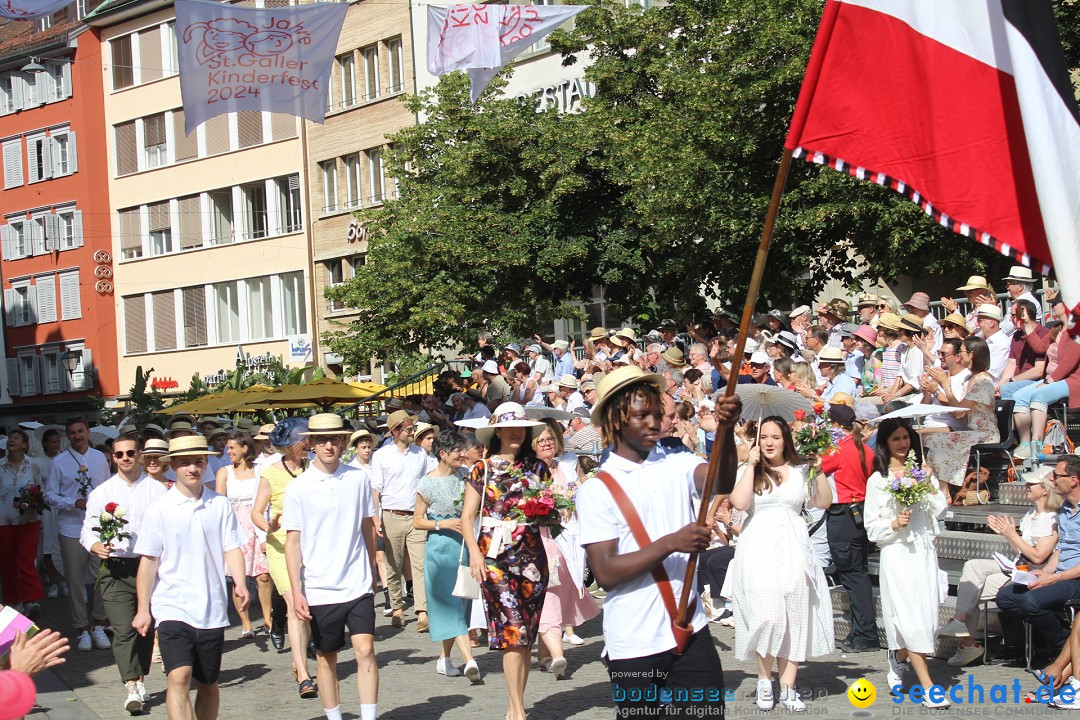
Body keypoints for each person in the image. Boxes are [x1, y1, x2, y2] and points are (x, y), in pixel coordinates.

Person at [577, 366, 739, 719]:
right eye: (641, 414)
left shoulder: (677, 461)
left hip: (690, 629)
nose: (653, 422)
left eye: (656, 413)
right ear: (615, 420)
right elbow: (605, 572)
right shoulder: (595, 490)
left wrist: (726, 431)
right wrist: (670, 542)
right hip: (634, 642)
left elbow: (720, 478)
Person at [133, 435, 249, 720]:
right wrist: (142, 609)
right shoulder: (159, 509)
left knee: (208, 682)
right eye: (185, 463)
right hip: (171, 604)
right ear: (172, 466)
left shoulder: (219, 505)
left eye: (198, 462)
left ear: (206, 463)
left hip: (210, 607)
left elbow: (232, 547)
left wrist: (241, 583)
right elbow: (148, 562)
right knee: (179, 676)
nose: (192, 468)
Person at [728, 417, 834, 711]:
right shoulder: (750, 470)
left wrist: (820, 471)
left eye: (775, 437)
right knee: (769, 615)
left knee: (795, 617)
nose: (770, 442)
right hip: (758, 548)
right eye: (764, 437)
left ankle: (788, 687)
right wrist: (749, 464)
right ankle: (764, 679)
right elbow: (738, 503)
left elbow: (824, 501)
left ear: (786, 439)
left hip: (794, 547)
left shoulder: (801, 470)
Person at [284, 414, 379, 720]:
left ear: (343, 442)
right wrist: (296, 590)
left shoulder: (358, 478)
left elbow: (367, 526)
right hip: (320, 586)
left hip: (357, 580)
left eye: (334, 439)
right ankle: (334, 716)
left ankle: (369, 716)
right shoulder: (299, 488)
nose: (328, 446)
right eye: (321, 440)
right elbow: (293, 542)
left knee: (365, 649)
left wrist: (373, 568)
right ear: (310, 444)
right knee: (327, 657)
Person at [460, 402, 549, 720]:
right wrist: (473, 552)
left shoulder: (538, 468)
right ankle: (519, 712)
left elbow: (549, 515)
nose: (516, 432)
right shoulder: (482, 468)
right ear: (497, 430)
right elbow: (467, 516)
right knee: (513, 632)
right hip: (494, 560)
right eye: (510, 427)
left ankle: (515, 706)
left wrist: (553, 509)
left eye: (522, 428)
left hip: (532, 561)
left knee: (525, 637)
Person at [864, 418, 949, 707]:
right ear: (885, 444)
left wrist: (928, 482)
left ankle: (898, 655)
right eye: (895, 439)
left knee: (927, 619)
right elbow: (872, 527)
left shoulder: (920, 472)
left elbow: (940, 510)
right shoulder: (878, 480)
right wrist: (894, 523)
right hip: (898, 553)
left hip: (924, 551)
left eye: (905, 438)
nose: (902, 444)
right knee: (911, 620)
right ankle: (928, 687)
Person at [80, 436, 167, 714]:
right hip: (116, 568)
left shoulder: (158, 490)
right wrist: (95, 545)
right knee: (122, 629)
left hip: (149, 567)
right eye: (119, 454)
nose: (125, 458)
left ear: (139, 454)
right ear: (113, 458)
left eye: (130, 453)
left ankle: (140, 677)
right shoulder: (102, 492)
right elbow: (88, 530)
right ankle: (131, 685)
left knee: (145, 628)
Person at [938, 470, 1059, 666]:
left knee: (970, 593)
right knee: (972, 568)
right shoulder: (1032, 514)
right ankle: (961, 628)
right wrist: (1006, 534)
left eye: (1032, 484)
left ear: (1045, 490)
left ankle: (967, 644)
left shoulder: (1051, 517)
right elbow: (1021, 550)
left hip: (1033, 574)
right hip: (1019, 566)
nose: (1027, 487)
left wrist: (1011, 535)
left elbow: (1039, 557)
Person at [250, 417, 317, 699]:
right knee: (293, 603)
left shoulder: (314, 468)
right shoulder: (271, 473)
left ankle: (298, 659)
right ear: (289, 445)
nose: (310, 444)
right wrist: (269, 527)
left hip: (311, 547)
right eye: (305, 440)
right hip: (280, 547)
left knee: (307, 608)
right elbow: (256, 511)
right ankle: (303, 673)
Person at [412, 430, 480, 681]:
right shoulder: (427, 483)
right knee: (450, 604)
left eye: (464, 450)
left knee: (462, 603)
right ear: (442, 454)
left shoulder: (466, 476)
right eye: (457, 451)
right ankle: (470, 660)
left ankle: (444, 658)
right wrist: (442, 524)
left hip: (465, 547)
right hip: (440, 549)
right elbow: (418, 521)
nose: (463, 455)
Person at [995, 456, 1080, 657]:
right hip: (1060, 574)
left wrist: (1056, 577)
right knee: (1006, 597)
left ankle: (1062, 650)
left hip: (1075, 578)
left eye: (1057, 476)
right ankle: (1067, 641)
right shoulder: (1065, 509)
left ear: (1074, 480)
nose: (1052, 480)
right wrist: (1045, 573)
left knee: (1031, 601)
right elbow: (1060, 550)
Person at [532, 422, 599, 675]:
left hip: (566, 538)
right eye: (541, 440)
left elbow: (573, 497)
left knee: (558, 594)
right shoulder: (530, 472)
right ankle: (558, 655)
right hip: (541, 538)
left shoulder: (565, 468)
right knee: (549, 593)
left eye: (550, 439)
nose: (547, 443)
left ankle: (544, 655)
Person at [44, 417, 111, 652]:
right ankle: (81, 628)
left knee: (103, 575)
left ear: (88, 431)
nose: (77, 436)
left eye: (80, 431)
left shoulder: (99, 458)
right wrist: (73, 502)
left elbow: (106, 488)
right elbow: (49, 495)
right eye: (72, 433)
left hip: (97, 527)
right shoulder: (59, 462)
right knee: (74, 580)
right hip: (71, 529)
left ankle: (99, 624)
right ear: (67, 435)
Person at [818, 404, 876, 652]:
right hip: (861, 511)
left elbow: (816, 467)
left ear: (834, 425)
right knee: (857, 572)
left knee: (853, 576)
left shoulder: (838, 449)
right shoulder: (863, 448)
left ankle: (865, 633)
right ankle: (860, 631)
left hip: (844, 513)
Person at [370, 410, 430, 631]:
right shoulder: (382, 456)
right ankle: (397, 608)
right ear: (395, 431)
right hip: (391, 515)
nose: (412, 432)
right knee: (393, 563)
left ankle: (422, 611)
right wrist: (376, 518)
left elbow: (424, 485)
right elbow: (375, 490)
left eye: (413, 428)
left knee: (420, 564)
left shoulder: (420, 455)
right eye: (408, 429)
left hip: (415, 515)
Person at [923, 336, 999, 501]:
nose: (959, 357)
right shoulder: (972, 379)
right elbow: (957, 407)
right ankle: (940, 490)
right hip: (973, 431)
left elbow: (958, 412)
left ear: (971, 354)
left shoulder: (983, 381)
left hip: (986, 433)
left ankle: (943, 493)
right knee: (936, 439)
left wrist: (944, 386)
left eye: (961, 353)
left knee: (940, 440)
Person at [215, 432, 272, 639]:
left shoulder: (260, 470)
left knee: (264, 575)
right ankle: (246, 623)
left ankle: (268, 619)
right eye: (228, 448)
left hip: (257, 523)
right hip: (235, 525)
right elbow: (220, 502)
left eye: (232, 447)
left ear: (244, 449)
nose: (228, 451)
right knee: (238, 577)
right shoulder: (224, 472)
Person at [0, 430, 45, 619]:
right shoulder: (0, 466)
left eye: (16, 438)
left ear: (25, 445)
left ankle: (30, 601)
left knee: (27, 560)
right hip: (4, 520)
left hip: (28, 520)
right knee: (7, 562)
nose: (12, 440)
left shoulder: (33, 465)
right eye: (10, 438)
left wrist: (33, 502)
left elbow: (40, 491)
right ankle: (14, 602)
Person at [36, 428, 65, 600]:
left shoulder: (64, 460)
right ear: (45, 443)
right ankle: (53, 582)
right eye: (52, 442)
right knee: (48, 545)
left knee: (63, 545)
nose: (55, 445)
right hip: (47, 508)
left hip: (62, 506)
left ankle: (64, 580)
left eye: (57, 441)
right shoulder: (38, 462)